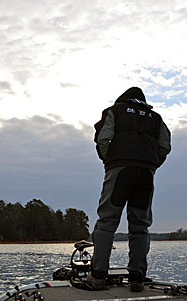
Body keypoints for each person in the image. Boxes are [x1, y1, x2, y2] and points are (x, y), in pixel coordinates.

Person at [87, 87, 171, 292]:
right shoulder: (156, 118)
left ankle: (98, 275)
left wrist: (110, 160)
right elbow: (165, 146)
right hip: (146, 173)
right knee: (140, 225)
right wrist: (152, 164)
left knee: (107, 221)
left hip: (119, 169)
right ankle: (137, 277)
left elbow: (102, 139)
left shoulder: (114, 111)